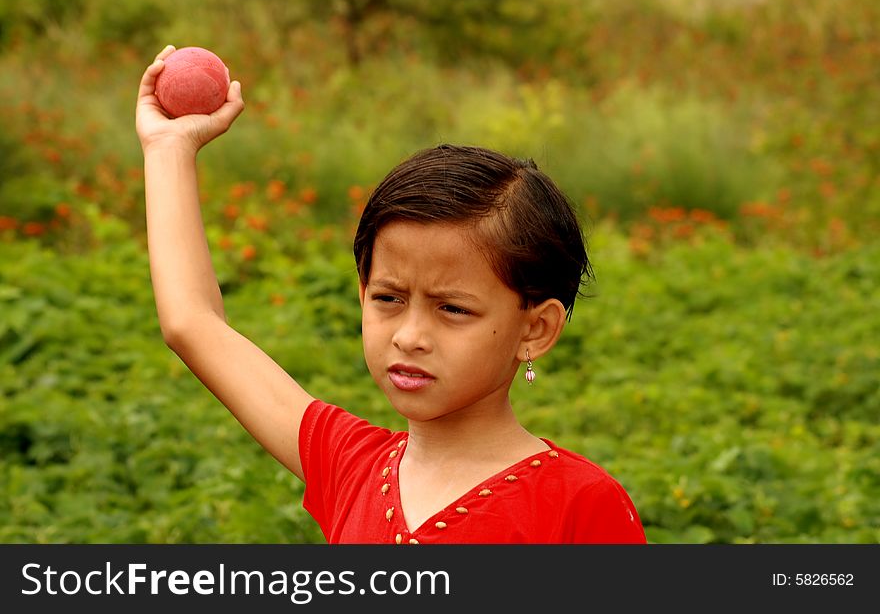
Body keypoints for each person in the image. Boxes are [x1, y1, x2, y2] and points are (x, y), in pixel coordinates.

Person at [136, 45, 647, 544]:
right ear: (362, 294)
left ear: (535, 329)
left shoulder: (580, 504)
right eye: (388, 299)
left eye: (452, 309)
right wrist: (168, 149)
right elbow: (192, 322)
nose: (410, 336)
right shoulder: (350, 466)